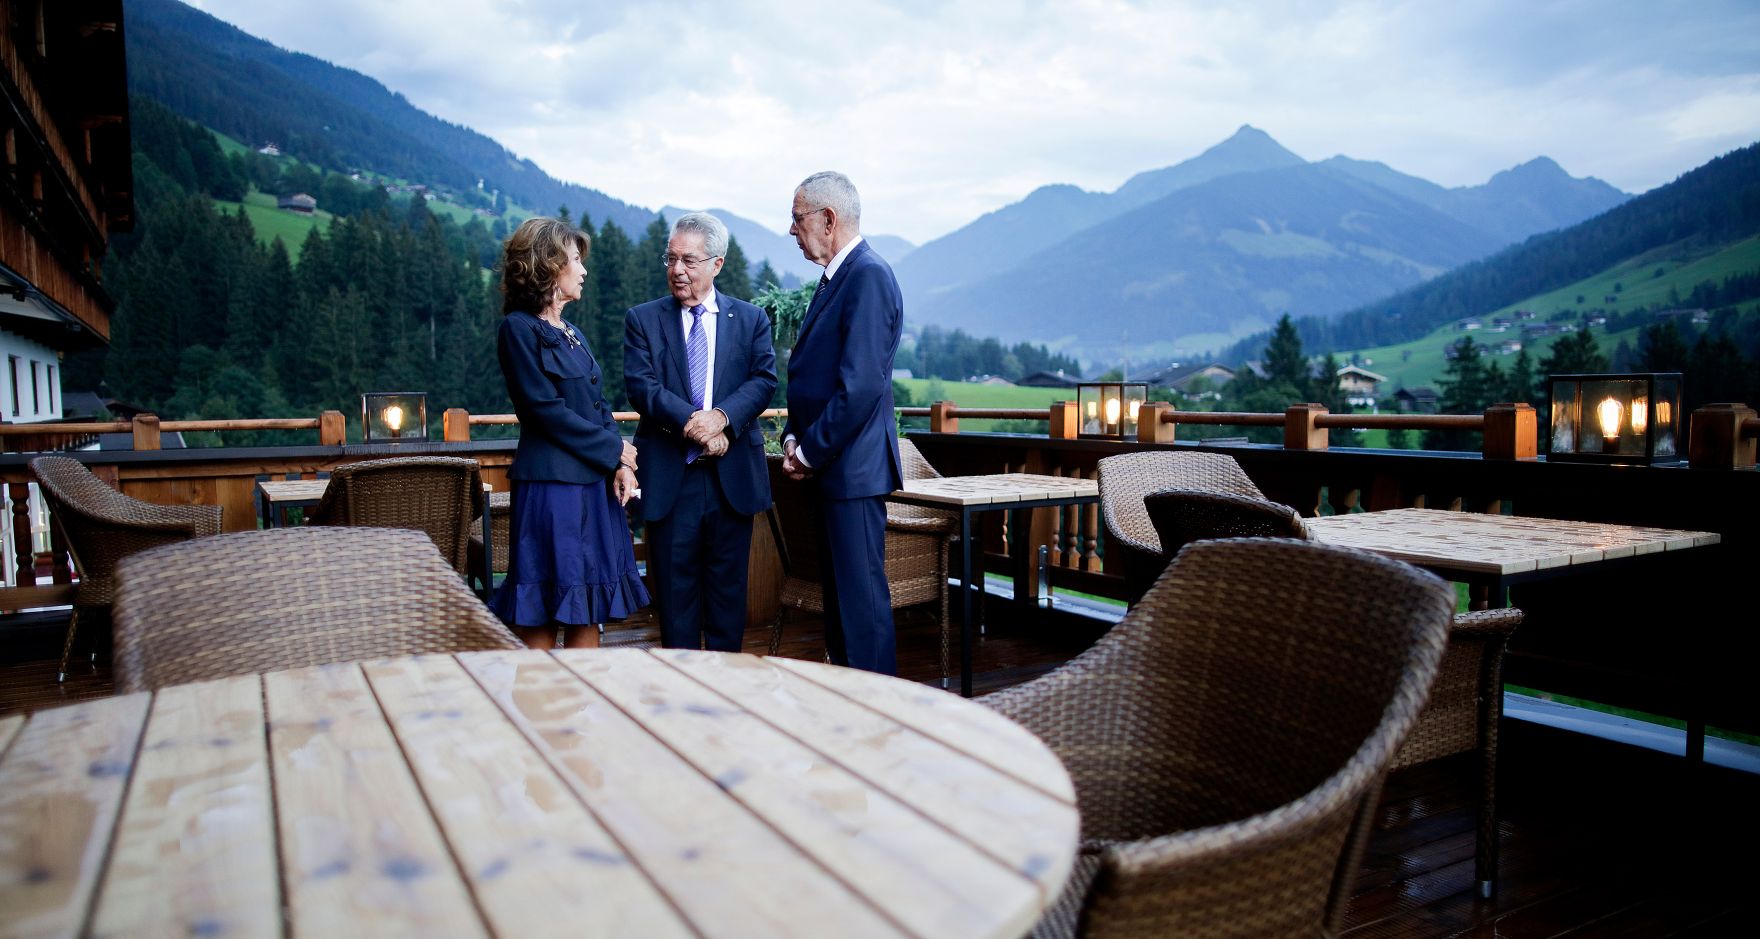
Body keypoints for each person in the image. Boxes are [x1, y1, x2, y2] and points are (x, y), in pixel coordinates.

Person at [489, 216, 649, 649]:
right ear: (548, 266)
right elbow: (543, 410)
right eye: (575, 260)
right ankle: (539, 712)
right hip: (550, 490)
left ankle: (583, 712)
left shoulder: (572, 333)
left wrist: (620, 463)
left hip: (593, 486)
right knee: (542, 606)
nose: (583, 270)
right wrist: (615, 447)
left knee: (588, 606)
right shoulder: (519, 329)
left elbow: (596, 406)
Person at [624, 213, 777, 651]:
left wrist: (723, 418)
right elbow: (642, 387)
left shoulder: (750, 319)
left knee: (730, 600)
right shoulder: (644, 320)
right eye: (670, 259)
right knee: (675, 602)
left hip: (732, 479)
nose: (677, 270)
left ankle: (726, 697)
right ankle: (680, 699)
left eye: (689, 261)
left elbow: (764, 380)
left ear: (717, 264)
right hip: (672, 478)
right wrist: (699, 425)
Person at [781, 171, 904, 674]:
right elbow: (813, 375)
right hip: (835, 470)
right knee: (842, 607)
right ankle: (850, 711)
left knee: (861, 608)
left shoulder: (868, 275)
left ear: (827, 219)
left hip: (851, 472)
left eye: (797, 218)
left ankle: (880, 716)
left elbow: (860, 387)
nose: (792, 230)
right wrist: (794, 434)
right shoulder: (839, 277)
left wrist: (809, 452)